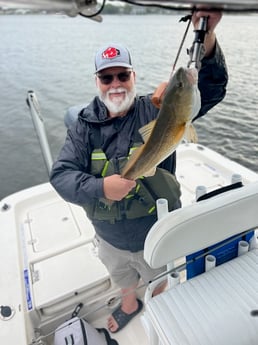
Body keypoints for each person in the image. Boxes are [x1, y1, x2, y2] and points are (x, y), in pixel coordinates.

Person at [50, 10, 228, 333]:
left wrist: (209, 37)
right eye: (107, 77)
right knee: (122, 278)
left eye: (122, 76)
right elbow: (60, 176)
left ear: (134, 76)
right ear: (97, 82)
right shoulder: (84, 127)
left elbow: (213, 90)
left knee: (158, 276)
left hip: (156, 231)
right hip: (110, 238)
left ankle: (158, 299)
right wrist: (102, 188)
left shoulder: (157, 108)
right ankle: (129, 304)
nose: (115, 84)